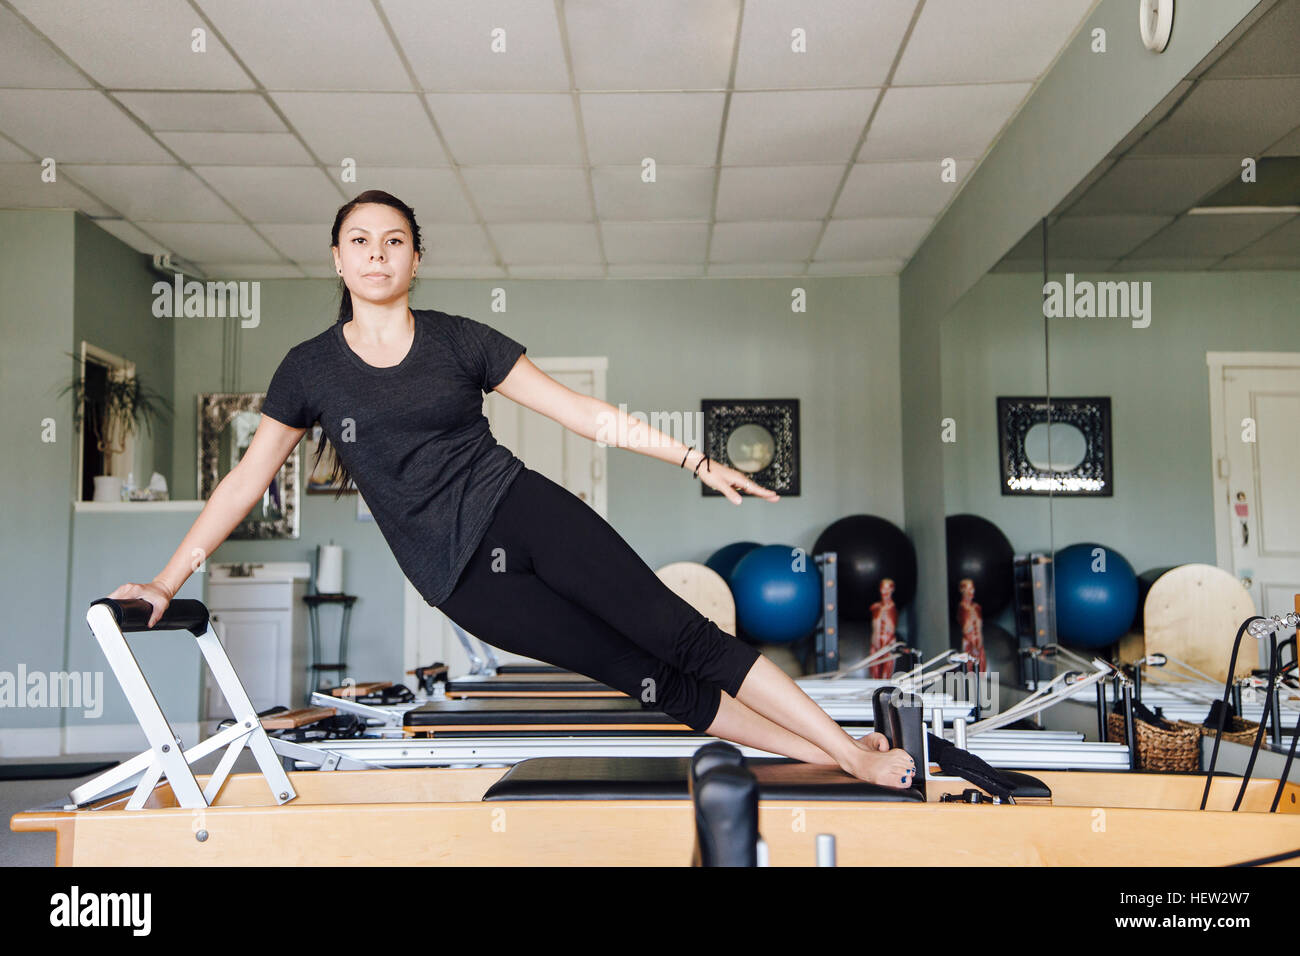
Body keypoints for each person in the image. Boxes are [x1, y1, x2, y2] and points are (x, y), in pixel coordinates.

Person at [109, 190, 916, 790]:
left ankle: (847, 752)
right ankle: (829, 753)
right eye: (360, 240)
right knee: (649, 680)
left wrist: (696, 461)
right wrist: (168, 581)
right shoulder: (308, 369)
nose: (378, 253)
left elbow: (583, 414)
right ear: (338, 259)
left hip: (524, 511)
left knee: (682, 637)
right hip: (456, 579)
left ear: (416, 258)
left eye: (394, 240)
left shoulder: (462, 340)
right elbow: (247, 479)